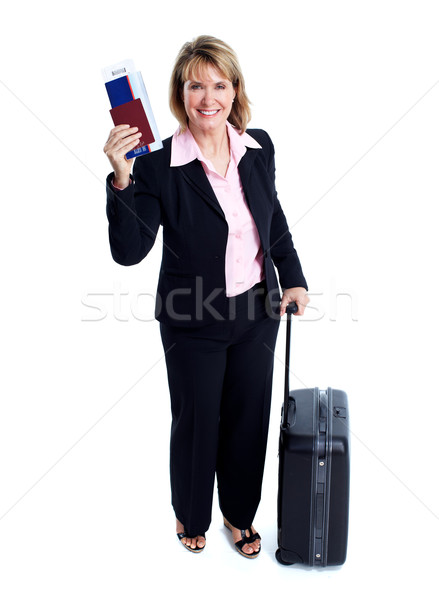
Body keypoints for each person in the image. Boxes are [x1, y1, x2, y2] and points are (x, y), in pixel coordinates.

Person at [103, 35, 309, 558]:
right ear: (180, 93)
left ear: (235, 90)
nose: (208, 97)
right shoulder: (156, 165)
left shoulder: (258, 148)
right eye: (196, 85)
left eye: (219, 84)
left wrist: (295, 277)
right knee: (198, 420)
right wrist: (123, 180)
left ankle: (238, 516)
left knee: (247, 418)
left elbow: (274, 220)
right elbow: (129, 253)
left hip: (257, 312)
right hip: (192, 316)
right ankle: (190, 514)